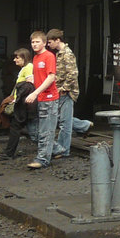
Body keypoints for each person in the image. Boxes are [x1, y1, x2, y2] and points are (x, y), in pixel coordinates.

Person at [47, 28, 92, 159]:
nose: (48, 45)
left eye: (50, 42)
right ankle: (84, 125)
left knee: (64, 123)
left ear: (57, 40)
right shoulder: (60, 53)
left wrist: (64, 89)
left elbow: (73, 73)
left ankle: (64, 150)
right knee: (62, 120)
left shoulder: (67, 54)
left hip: (66, 92)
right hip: (61, 91)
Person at [24, 30, 59, 169]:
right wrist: (32, 79)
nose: (34, 44)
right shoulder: (36, 58)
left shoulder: (49, 56)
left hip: (49, 98)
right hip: (41, 98)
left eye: (37, 41)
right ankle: (58, 149)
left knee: (45, 131)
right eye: (32, 42)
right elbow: (42, 76)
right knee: (36, 130)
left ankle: (42, 159)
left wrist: (35, 93)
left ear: (44, 43)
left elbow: (51, 77)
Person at [0, 48, 36, 160]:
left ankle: (9, 153)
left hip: (22, 104)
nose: (14, 60)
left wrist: (18, 98)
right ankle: (9, 152)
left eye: (17, 57)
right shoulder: (25, 68)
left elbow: (30, 85)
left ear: (24, 58)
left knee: (17, 127)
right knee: (28, 129)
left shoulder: (28, 68)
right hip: (22, 102)